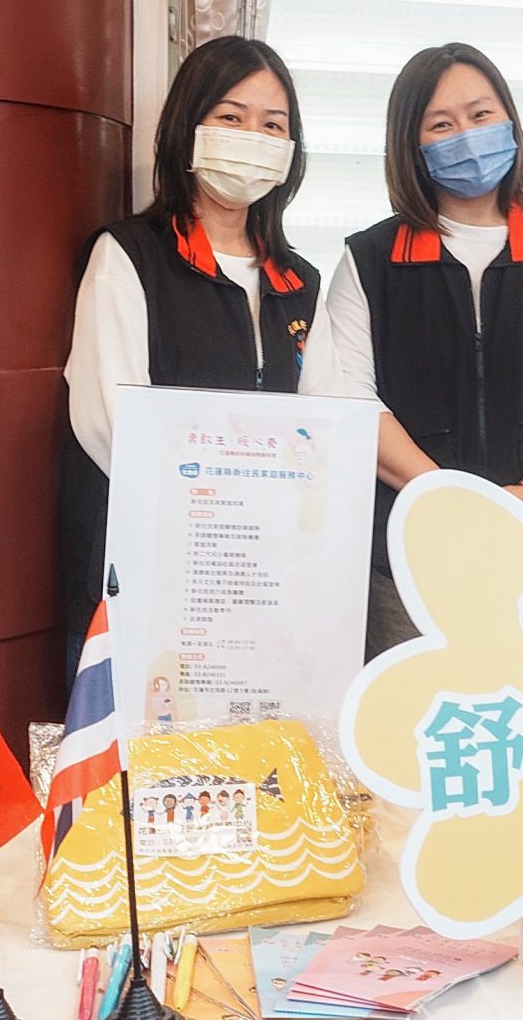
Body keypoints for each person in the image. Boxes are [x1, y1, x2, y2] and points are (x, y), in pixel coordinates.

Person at [303, 43, 523, 658]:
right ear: (411, 144)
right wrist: (450, 500)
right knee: (417, 708)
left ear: (510, 121)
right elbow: (350, 398)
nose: (467, 136)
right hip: (407, 551)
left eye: (481, 116)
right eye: (441, 125)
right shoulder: (369, 260)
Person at [57, 36, 322, 641]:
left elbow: (323, 423)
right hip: (153, 563)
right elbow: (107, 421)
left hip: (265, 574)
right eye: (231, 117)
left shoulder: (299, 281)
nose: (254, 137)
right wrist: (218, 518)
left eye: (273, 125)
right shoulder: (128, 256)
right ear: (188, 127)